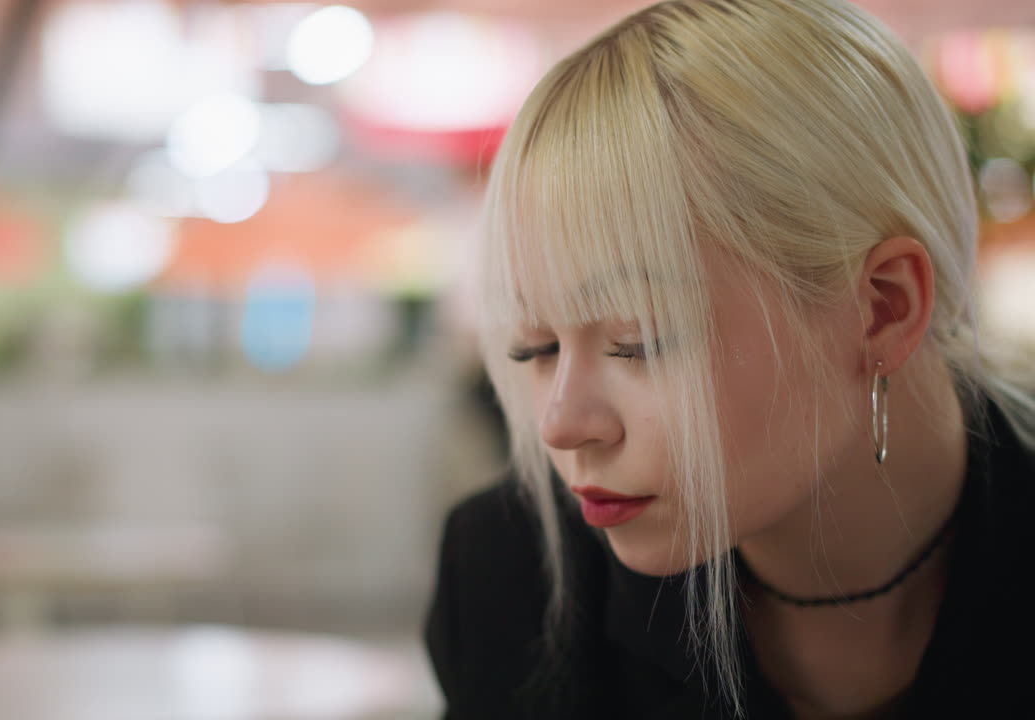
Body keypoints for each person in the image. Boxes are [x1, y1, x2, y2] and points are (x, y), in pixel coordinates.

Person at [423, 0, 1035, 718]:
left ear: (884, 308)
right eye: (538, 347)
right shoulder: (509, 577)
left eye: (638, 339)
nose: (561, 424)